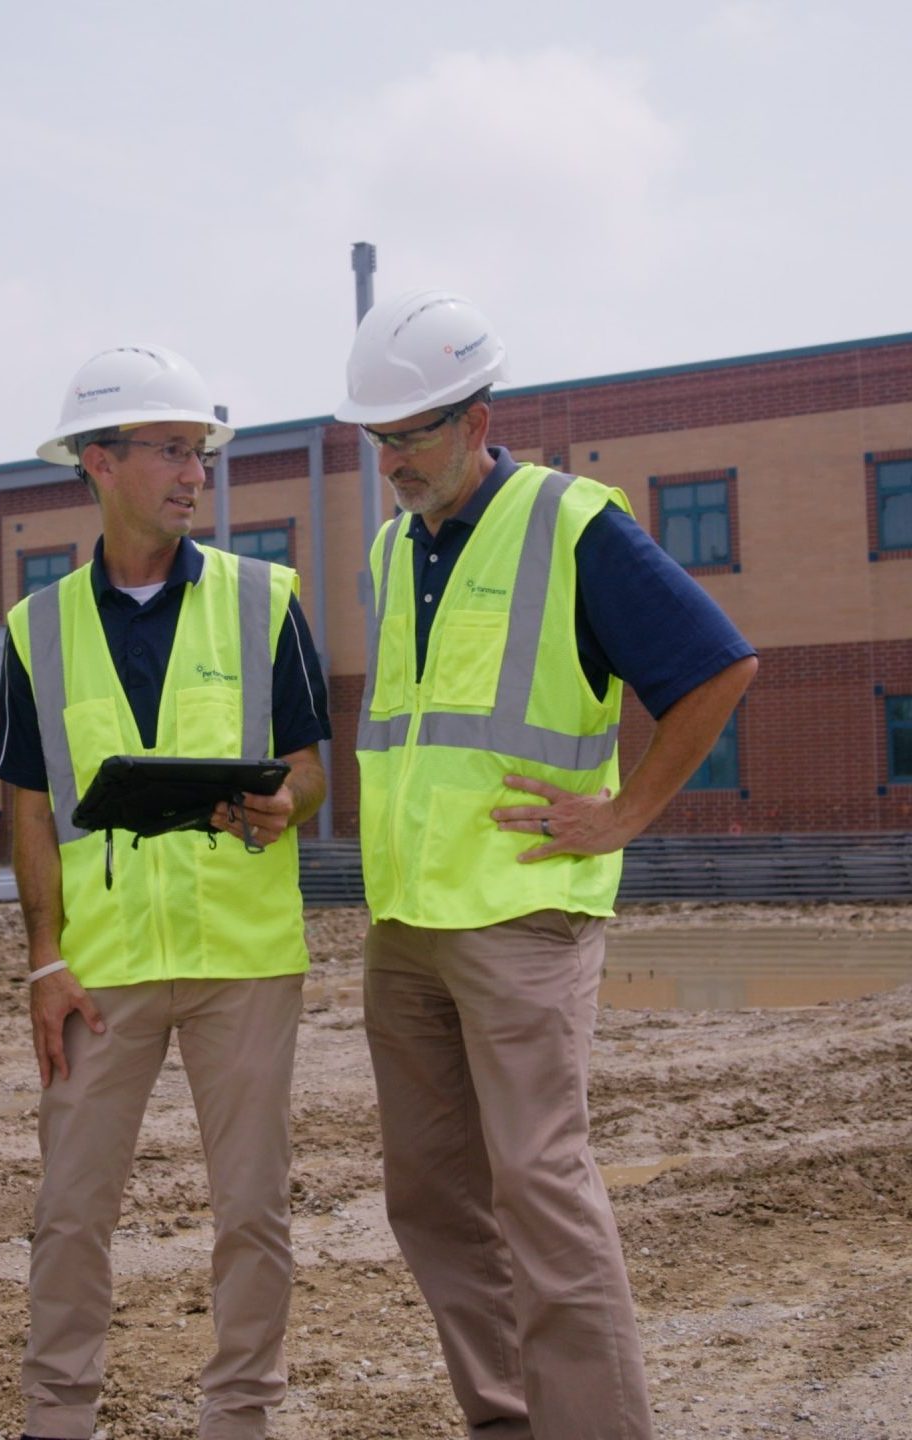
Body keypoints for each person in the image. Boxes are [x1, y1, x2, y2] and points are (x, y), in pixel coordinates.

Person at [336, 290, 758, 1440]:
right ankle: (507, 1419)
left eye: (412, 434)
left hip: (523, 920)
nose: (393, 463)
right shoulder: (390, 548)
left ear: (478, 419)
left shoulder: (573, 524)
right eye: (377, 441)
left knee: (539, 1189)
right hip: (406, 926)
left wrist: (625, 812)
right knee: (429, 1197)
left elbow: (715, 667)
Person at [0, 343, 331, 1440]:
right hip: (99, 970)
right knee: (70, 1212)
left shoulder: (262, 600)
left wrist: (285, 801)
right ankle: (59, 1419)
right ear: (100, 461)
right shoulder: (35, 629)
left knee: (253, 1212)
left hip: (242, 959)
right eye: (172, 451)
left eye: (202, 454)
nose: (195, 474)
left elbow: (313, 765)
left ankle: (240, 1418)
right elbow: (29, 807)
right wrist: (44, 962)